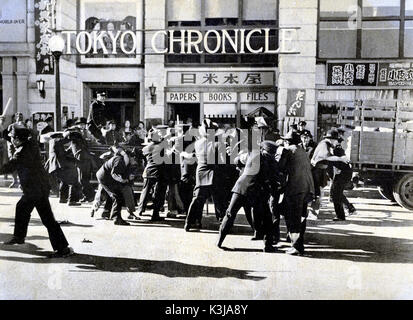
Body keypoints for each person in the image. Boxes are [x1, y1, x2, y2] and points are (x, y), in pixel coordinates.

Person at [0, 127, 73, 258]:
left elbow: (10, 166)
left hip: (34, 189)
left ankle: (63, 249)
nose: (10, 140)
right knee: (23, 208)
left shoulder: (21, 152)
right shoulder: (31, 144)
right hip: (40, 187)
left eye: (12, 138)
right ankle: (19, 237)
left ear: (17, 139)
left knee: (46, 219)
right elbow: (32, 133)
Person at [217, 141, 281, 253]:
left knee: (230, 213)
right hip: (256, 192)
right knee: (266, 217)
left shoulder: (253, 154)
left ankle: (219, 241)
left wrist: (241, 167)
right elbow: (274, 180)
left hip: (241, 188)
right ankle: (268, 245)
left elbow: (237, 160)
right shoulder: (272, 162)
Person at [184, 119, 227, 231]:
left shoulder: (197, 143)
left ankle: (189, 222)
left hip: (201, 172)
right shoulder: (219, 144)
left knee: (197, 198)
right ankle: (223, 223)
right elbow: (223, 161)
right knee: (219, 200)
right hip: (215, 173)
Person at [280, 131, 314, 255]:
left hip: (294, 189)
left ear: (287, 141)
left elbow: (281, 168)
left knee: (293, 217)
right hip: (306, 188)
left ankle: (297, 246)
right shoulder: (302, 151)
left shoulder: (288, 150)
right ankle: (298, 243)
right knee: (300, 216)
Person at [95, 146, 135, 225]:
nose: (134, 160)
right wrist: (123, 180)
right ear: (128, 157)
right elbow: (114, 174)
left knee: (114, 195)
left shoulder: (124, 161)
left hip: (107, 177)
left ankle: (107, 212)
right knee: (117, 196)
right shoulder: (119, 160)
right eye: (133, 158)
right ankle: (117, 218)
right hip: (105, 177)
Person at [136, 126, 168, 221]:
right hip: (159, 172)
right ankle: (155, 214)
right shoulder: (162, 146)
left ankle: (140, 210)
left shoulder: (146, 148)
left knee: (145, 191)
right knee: (159, 193)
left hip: (148, 171)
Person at [46, 132, 81, 206]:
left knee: (64, 181)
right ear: (57, 137)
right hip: (60, 166)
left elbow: (61, 153)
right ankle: (72, 200)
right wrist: (70, 134)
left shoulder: (52, 143)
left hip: (56, 167)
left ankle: (63, 198)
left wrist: (68, 150)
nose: (61, 138)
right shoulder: (55, 141)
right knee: (73, 181)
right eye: (60, 137)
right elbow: (65, 141)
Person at [5, 112, 26, 188]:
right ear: (15, 118)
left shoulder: (25, 126)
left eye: (21, 117)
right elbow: (7, 136)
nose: (20, 118)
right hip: (12, 148)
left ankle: (21, 182)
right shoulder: (11, 126)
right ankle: (15, 181)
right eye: (18, 117)